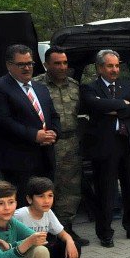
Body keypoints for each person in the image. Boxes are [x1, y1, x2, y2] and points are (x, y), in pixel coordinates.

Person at [79, 50, 130, 248]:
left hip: (128, 143)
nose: (115, 69)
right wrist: (122, 104)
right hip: (105, 146)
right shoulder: (89, 88)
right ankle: (105, 233)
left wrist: (110, 107)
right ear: (100, 68)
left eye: (117, 65)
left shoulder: (127, 85)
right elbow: (94, 105)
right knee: (106, 192)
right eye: (110, 66)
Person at [0, 44, 61, 202]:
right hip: (19, 161)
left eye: (30, 63)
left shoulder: (41, 88)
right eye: (21, 64)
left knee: (45, 203)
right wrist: (34, 135)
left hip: (45, 157)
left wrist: (54, 132)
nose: (27, 68)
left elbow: (53, 115)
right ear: (9, 65)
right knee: (25, 205)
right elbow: (3, 121)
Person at [33, 47, 86, 244]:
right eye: (57, 63)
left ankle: (67, 230)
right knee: (46, 186)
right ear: (46, 64)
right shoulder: (37, 85)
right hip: (47, 144)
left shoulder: (74, 85)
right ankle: (45, 231)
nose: (62, 67)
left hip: (71, 143)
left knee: (70, 188)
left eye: (65, 63)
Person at [14, 176, 80, 258]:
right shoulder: (20, 215)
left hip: (44, 255)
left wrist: (70, 241)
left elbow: (62, 233)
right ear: (29, 199)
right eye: (41, 196)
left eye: (50, 196)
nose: (46, 200)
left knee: (74, 246)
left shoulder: (48, 213)